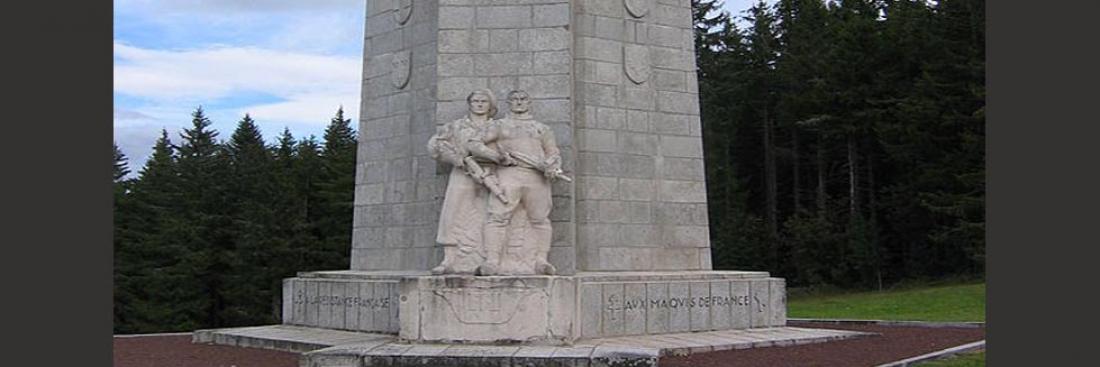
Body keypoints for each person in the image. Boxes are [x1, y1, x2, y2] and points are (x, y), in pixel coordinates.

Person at [468, 90, 567, 275]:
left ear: (529, 102)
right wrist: (497, 157)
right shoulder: (500, 125)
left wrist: (551, 165)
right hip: (508, 175)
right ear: (509, 103)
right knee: (497, 217)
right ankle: (492, 261)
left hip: (536, 177)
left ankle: (541, 261)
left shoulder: (541, 128)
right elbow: (474, 143)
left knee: (540, 220)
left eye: (523, 99)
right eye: (515, 99)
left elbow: (553, 152)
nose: (519, 102)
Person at [426, 89, 502, 275]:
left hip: (491, 174)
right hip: (462, 172)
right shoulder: (456, 126)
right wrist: (455, 158)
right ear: (469, 104)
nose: (479, 104)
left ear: (490, 105)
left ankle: (489, 259)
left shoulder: (498, 127)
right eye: (475, 101)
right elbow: (434, 146)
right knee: (452, 212)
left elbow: (506, 149)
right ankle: (449, 260)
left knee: (490, 215)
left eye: (484, 101)